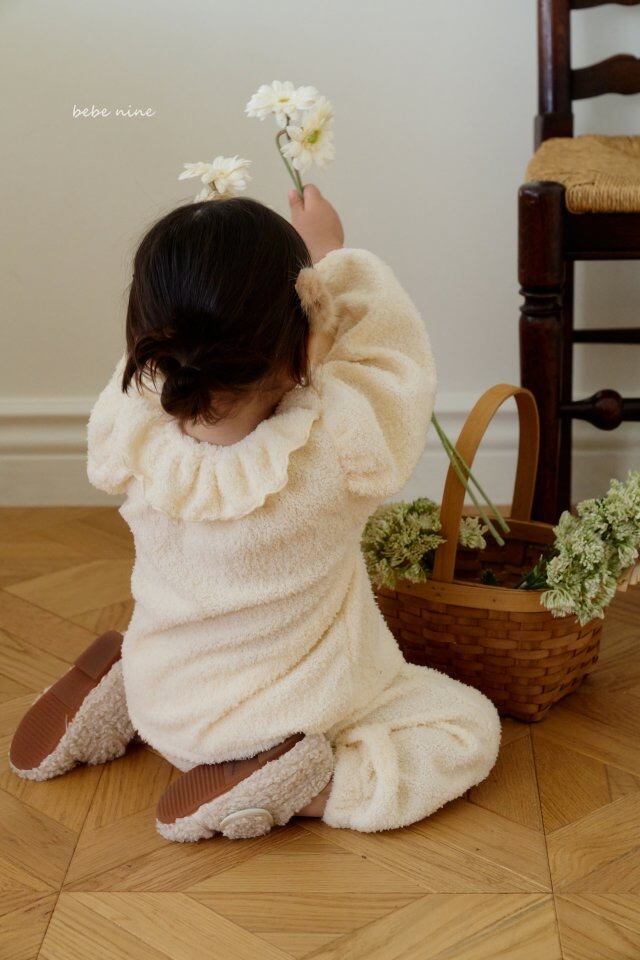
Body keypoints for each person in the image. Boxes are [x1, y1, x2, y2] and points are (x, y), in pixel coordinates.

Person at [10, 186, 500, 841]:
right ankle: (316, 785)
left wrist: (205, 276)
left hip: (166, 700)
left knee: (169, 649)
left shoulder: (126, 431)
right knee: (467, 725)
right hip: (282, 724)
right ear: (305, 350)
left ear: (150, 348)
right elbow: (395, 360)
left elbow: (149, 360)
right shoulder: (339, 450)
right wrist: (333, 253)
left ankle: (126, 688)